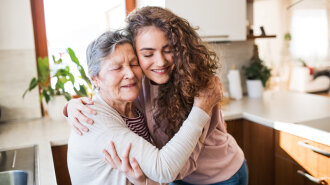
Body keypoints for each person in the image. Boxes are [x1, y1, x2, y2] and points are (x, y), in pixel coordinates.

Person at [65, 6, 248, 185]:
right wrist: (71, 107)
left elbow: (181, 165)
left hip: (219, 175)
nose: (160, 62)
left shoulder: (197, 85)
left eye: (168, 50)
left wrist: (147, 179)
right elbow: (105, 100)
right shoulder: (137, 82)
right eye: (147, 54)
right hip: (174, 176)